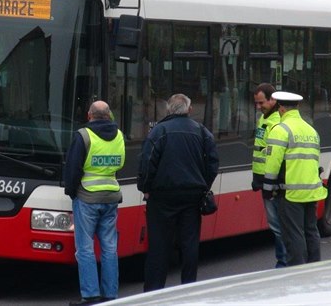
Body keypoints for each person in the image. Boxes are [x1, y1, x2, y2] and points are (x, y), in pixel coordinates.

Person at [137, 93, 219, 292]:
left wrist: (146, 188)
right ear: (189, 110)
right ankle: (188, 288)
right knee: (189, 245)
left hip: (162, 198)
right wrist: (203, 186)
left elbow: (147, 163)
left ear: (168, 110)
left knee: (159, 246)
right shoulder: (202, 132)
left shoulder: (159, 131)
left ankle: (154, 292)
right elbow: (213, 163)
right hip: (192, 197)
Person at [64, 101, 125, 306]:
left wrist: (72, 193)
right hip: (111, 197)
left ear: (90, 115)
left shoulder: (83, 136)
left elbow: (73, 169)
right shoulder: (119, 136)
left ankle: (90, 295)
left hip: (87, 198)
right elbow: (120, 165)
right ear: (109, 115)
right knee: (109, 248)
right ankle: (110, 295)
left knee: (85, 248)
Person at [263, 91, 328, 266]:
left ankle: (297, 273)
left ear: (281, 109)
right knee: (311, 232)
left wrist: (267, 189)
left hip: (290, 192)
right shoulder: (311, 130)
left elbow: (272, 164)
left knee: (293, 234)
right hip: (312, 191)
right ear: (297, 107)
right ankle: (314, 267)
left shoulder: (281, 130)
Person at [251, 83, 287, 268]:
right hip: (263, 179)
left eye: (261, 103)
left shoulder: (276, 122)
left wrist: (267, 182)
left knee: (277, 225)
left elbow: (274, 156)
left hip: (271, 181)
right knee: (276, 225)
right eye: (256, 103)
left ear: (273, 99)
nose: (258, 107)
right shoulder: (264, 119)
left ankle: (283, 263)